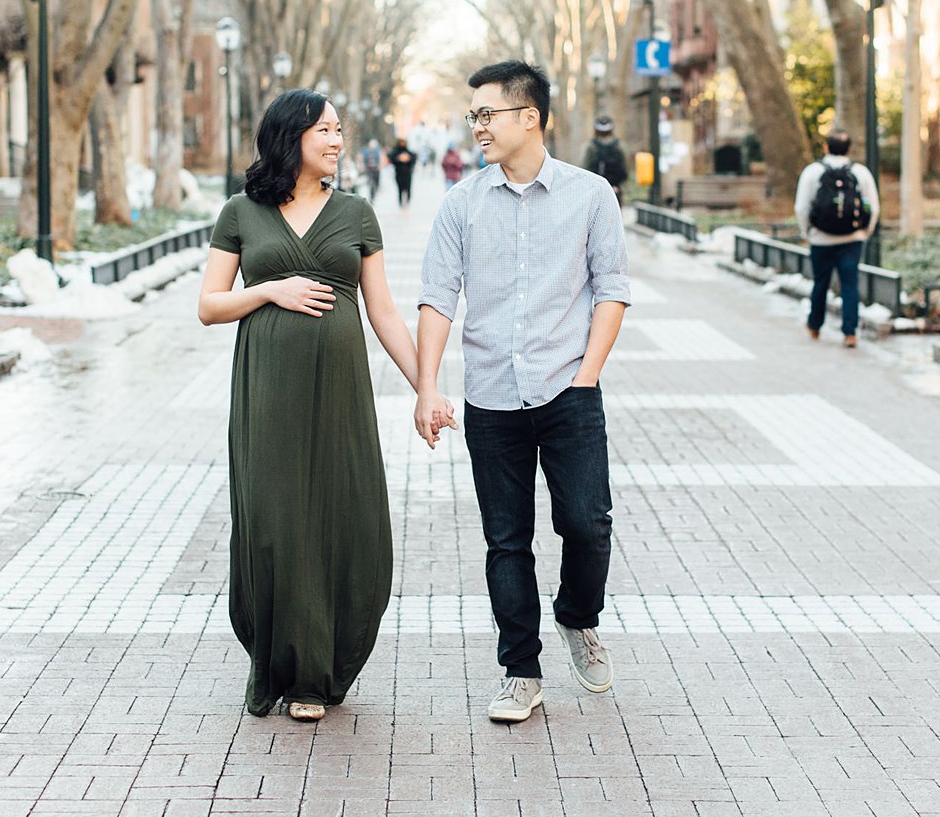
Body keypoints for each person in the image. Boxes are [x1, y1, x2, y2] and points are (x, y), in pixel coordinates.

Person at [198, 89, 427, 722]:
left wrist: (425, 388)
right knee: (276, 520)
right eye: (323, 129)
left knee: (343, 514)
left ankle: (326, 666)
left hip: (341, 392)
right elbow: (210, 305)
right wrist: (272, 289)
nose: (336, 140)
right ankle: (286, 667)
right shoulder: (240, 213)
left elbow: (381, 311)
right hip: (267, 390)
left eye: (338, 129)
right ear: (288, 136)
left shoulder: (356, 213)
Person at [414, 60, 630, 724]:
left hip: (569, 390)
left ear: (529, 116)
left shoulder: (592, 194)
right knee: (507, 540)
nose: (476, 126)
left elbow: (612, 289)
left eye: (487, 114)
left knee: (588, 525)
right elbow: (436, 300)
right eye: (473, 115)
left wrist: (587, 374)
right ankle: (521, 670)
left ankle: (577, 615)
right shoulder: (461, 203)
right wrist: (428, 387)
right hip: (491, 398)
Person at [794, 130, 880, 349]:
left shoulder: (812, 172)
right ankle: (850, 333)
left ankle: (815, 325)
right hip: (852, 239)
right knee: (850, 284)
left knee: (820, 282)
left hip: (821, 239)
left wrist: (808, 232)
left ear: (825, 147)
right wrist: (864, 232)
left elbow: (801, 207)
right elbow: (873, 206)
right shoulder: (861, 172)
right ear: (849, 148)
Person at [582, 116, 628, 206]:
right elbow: (625, 168)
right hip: (615, 188)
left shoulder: (590, 146)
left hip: (595, 189)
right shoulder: (619, 146)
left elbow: (585, 167)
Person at [390, 138, 417, 207]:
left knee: (408, 188)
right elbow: (391, 157)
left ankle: (407, 201)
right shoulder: (396, 152)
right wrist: (399, 158)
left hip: (407, 173)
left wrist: (408, 158)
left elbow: (413, 157)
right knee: (399, 189)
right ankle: (400, 202)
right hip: (399, 173)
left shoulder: (407, 152)